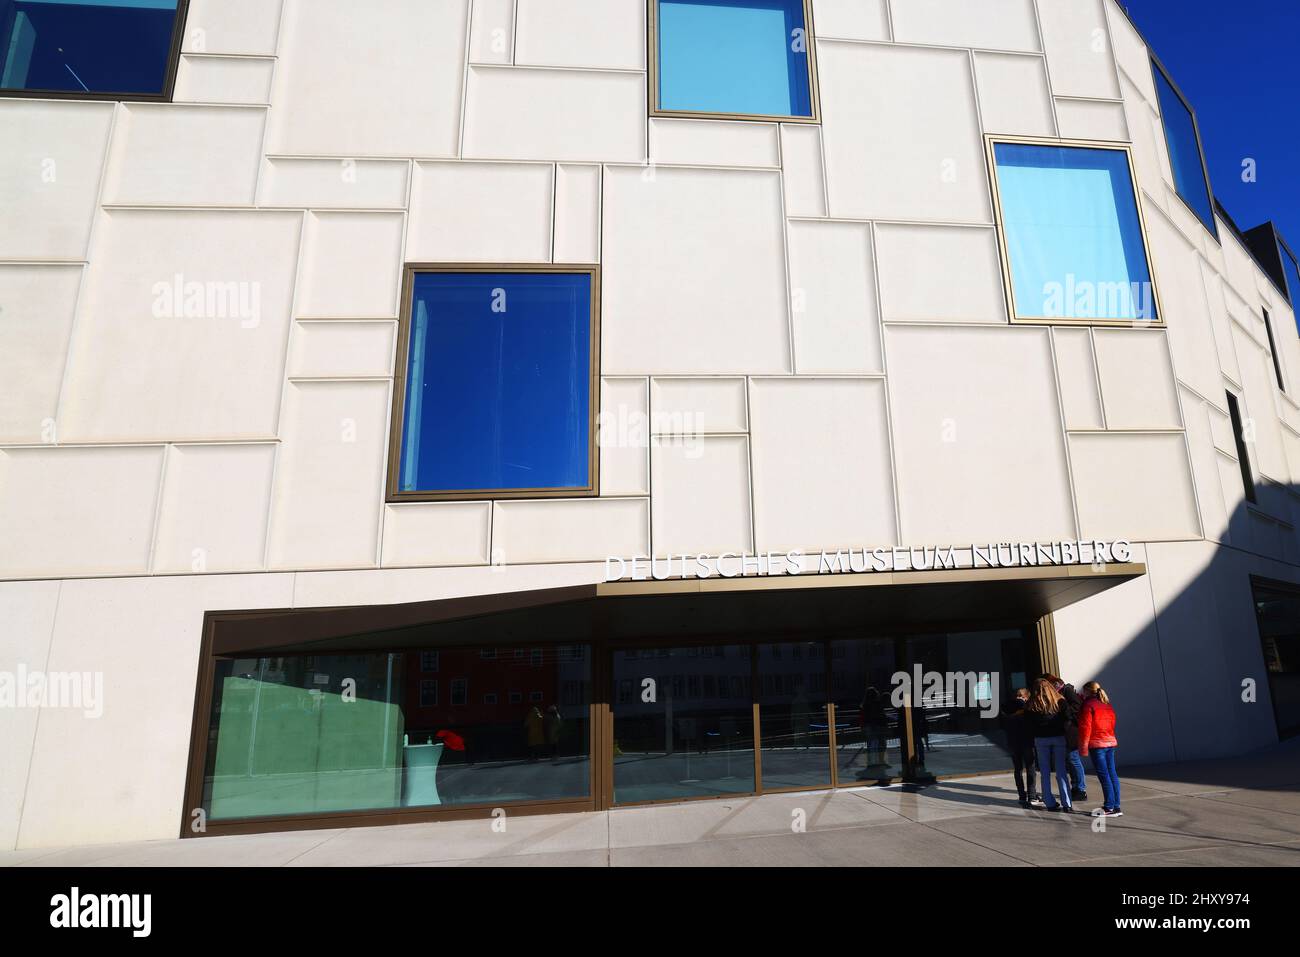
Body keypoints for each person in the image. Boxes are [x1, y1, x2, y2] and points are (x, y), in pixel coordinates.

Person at [1025, 678, 1072, 812]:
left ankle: (1049, 802)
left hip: (1040, 739)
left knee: (1044, 772)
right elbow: (1068, 718)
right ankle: (1067, 803)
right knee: (1061, 771)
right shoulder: (1060, 701)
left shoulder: (1031, 704)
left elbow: (1027, 724)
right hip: (1058, 737)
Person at [1078, 681, 1122, 818]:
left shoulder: (1088, 705)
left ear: (1088, 691)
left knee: (1104, 775)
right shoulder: (1106, 704)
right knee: (1112, 773)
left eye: (1083, 691)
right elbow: (1113, 722)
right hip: (1109, 742)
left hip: (1097, 744)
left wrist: (1083, 747)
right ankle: (1116, 806)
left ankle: (1109, 806)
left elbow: (1086, 727)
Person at [1042, 673, 1088, 802]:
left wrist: (1063, 713)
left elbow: (1077, 707)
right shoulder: (1058, 692)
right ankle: (1076, 787)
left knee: (1073, 759)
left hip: (1071, 731)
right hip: (1065, 731)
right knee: (1069, 759)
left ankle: (1081, 789)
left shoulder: (1066, 690)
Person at [1002, 688, 1041, 808]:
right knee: (1030, 768)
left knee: (1017, 769)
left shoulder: (1007, 706)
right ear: (1025, 697)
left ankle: (1021, 795)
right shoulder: (1026, 707)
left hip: (1013, 742)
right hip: (1026, 741)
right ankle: (1032, 795)